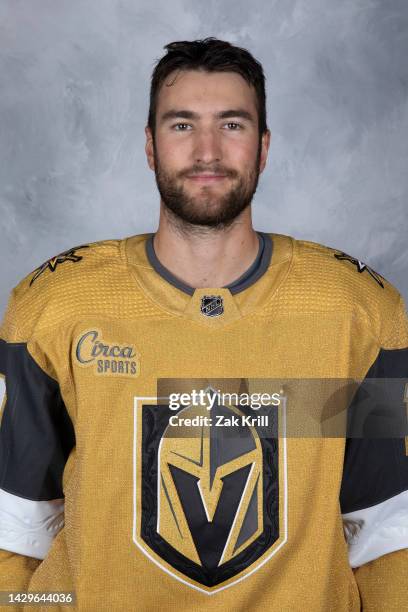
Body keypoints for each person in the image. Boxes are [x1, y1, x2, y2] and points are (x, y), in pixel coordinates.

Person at [0, 37, 407, 611]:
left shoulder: (354, 313)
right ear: (150, 145)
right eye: (182, 125)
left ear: (264, 148)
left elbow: (387, 531)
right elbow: (16, 528)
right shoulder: (59, 305)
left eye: (233, 125)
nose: (208, 150)